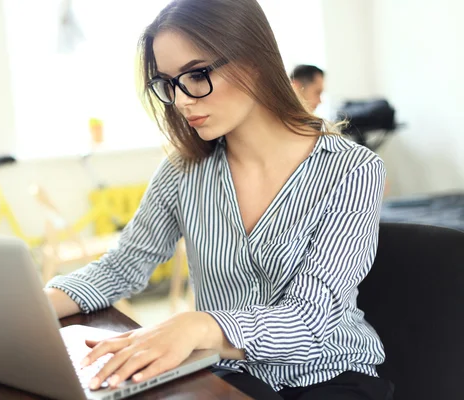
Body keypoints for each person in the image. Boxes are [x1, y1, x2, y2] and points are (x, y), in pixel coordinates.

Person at [44, 0, 394, 399]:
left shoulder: (353, 170)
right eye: (168, 83)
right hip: (230, 374)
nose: (181, 100)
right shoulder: (183, 171)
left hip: (330, 374)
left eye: (196, 75)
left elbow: (308, 320)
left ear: (255, 61)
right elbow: (122, 268)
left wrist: (198, 325)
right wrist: (27, 308)